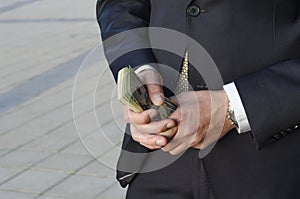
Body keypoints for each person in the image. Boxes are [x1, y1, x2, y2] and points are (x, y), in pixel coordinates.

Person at [96, 1, 300, 198]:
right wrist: (140, 68)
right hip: (156, 156)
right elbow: (121, 4)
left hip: (271, 156)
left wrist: (233, 106)